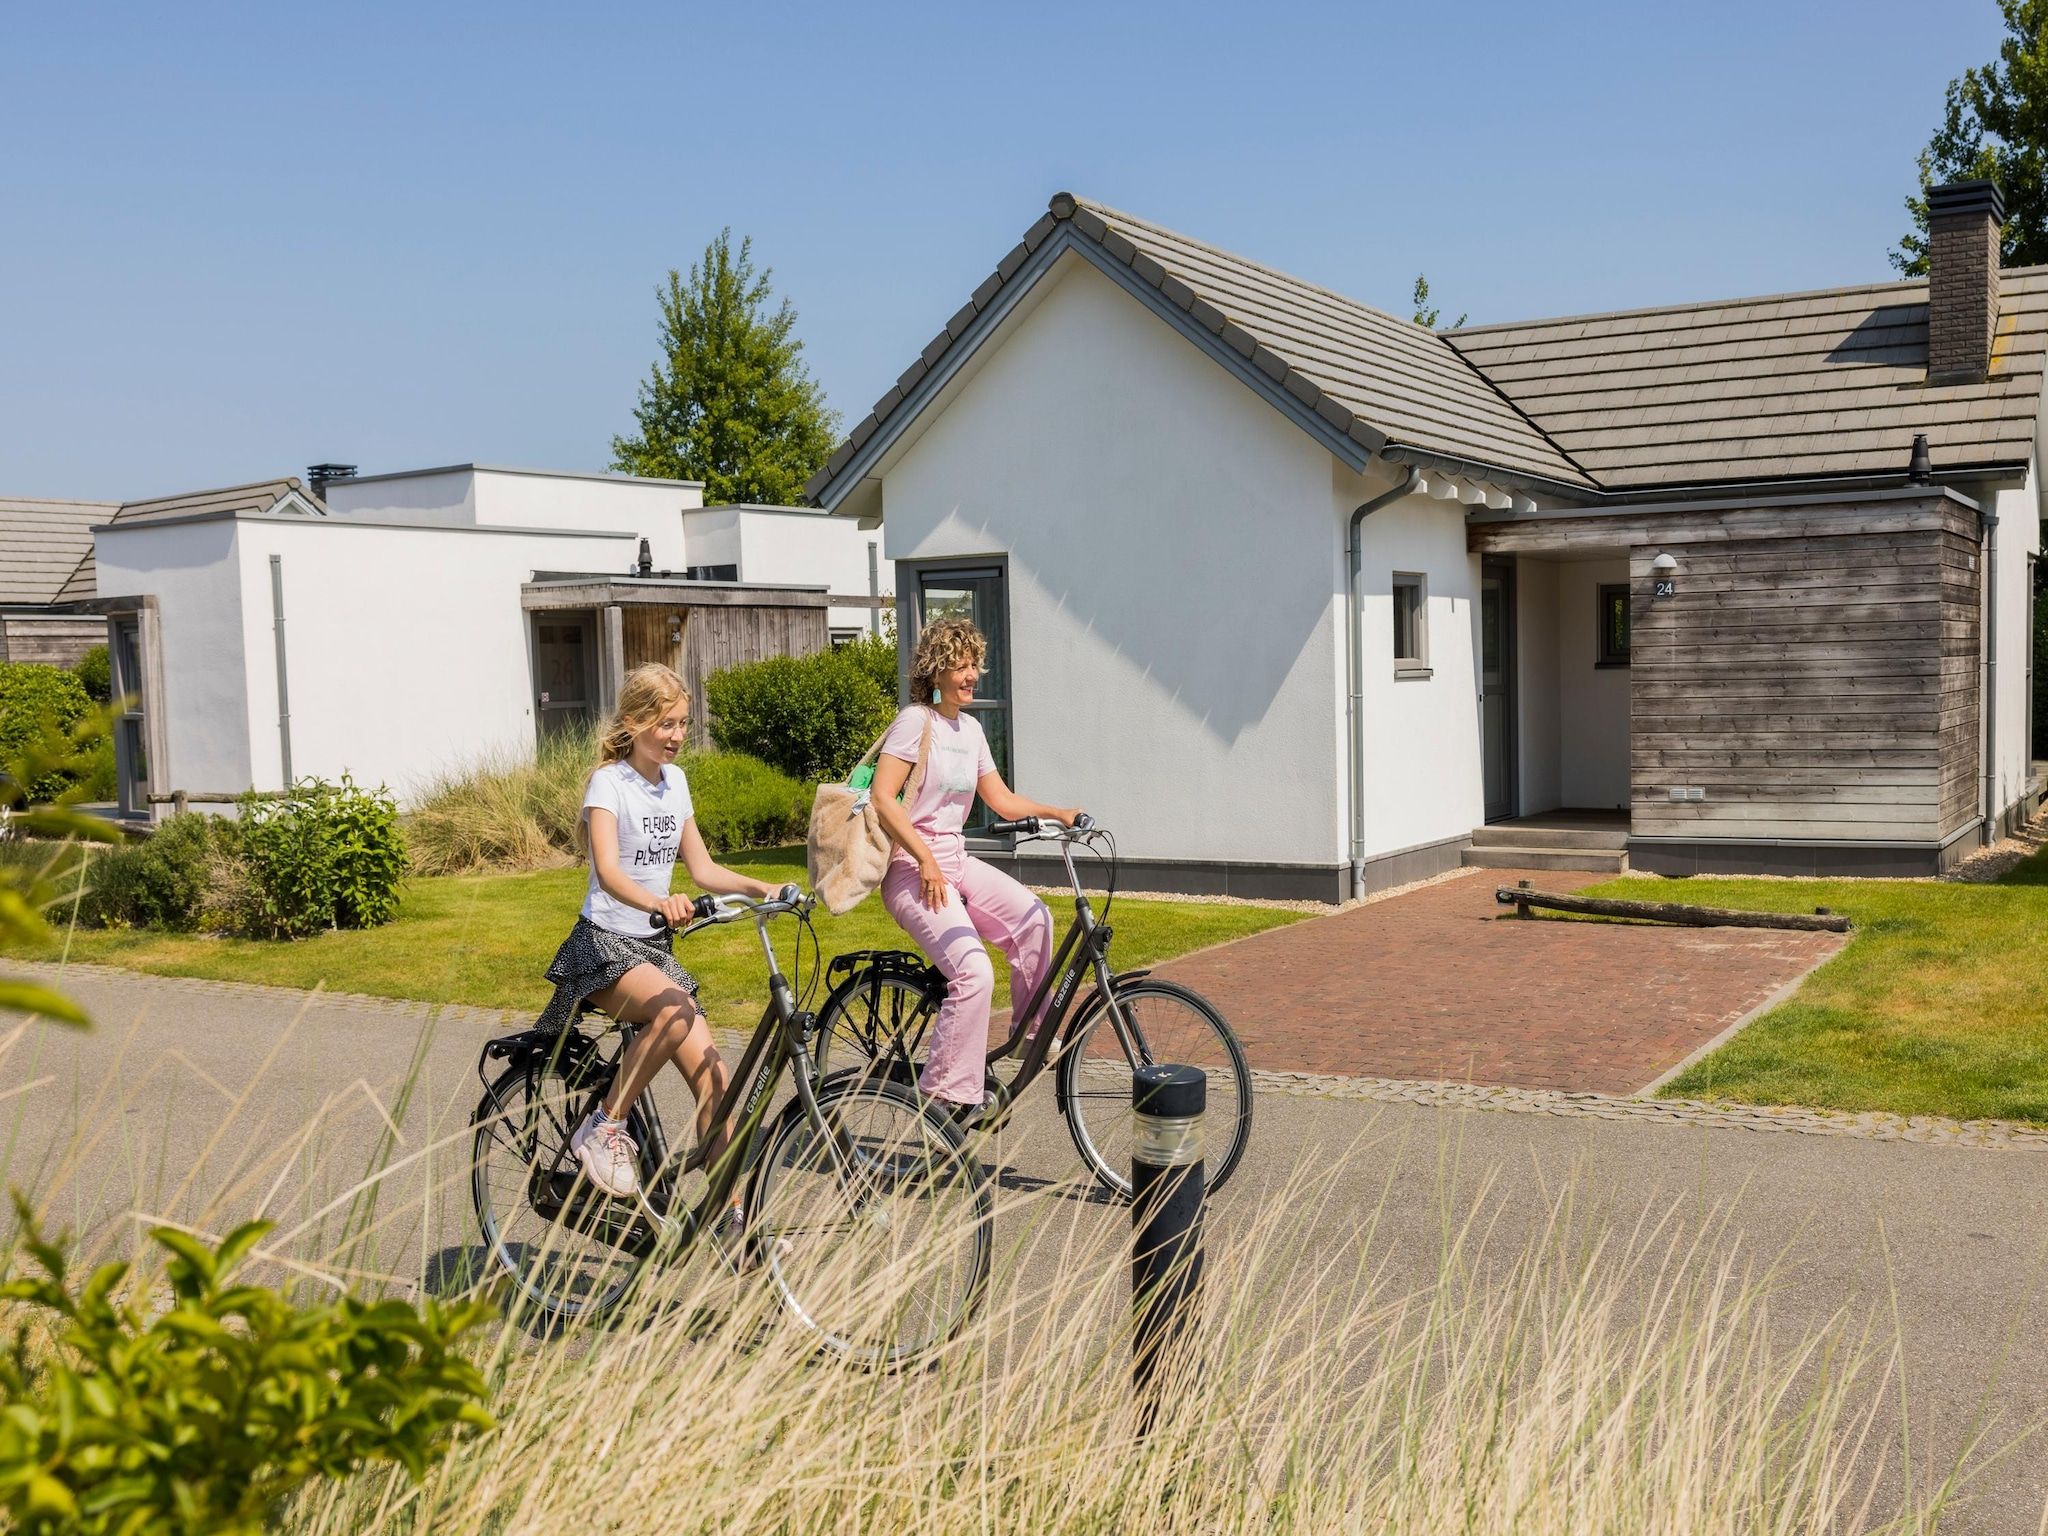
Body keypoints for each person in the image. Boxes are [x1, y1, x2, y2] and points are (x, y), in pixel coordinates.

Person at [537, 662, 792, 1200]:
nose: (678, 736)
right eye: (667, 724)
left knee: (716, 1084)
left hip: (651, 950)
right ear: (633, 722)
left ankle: (731, 1222)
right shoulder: (609, 784)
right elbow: (607, 871)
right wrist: (658, 901)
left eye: (683, 724)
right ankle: (604, 1126)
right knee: (675, 1013)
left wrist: (760, 888)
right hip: (603, 946)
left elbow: (703, 870)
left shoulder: (676, 782)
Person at [871, 617, 1080, 1117]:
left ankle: (1030, 1034)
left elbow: (1002, 801)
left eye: (975, 665)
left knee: (1036, 919)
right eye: (961, 666)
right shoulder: (915, 723)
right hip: (911, 869)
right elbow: (882, 797)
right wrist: (923, 858)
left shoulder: (971, 729)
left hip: (957, 862)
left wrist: (1056, 813)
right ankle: (944, 1097)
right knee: (973, 972)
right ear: (936, 671)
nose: (972, 675)